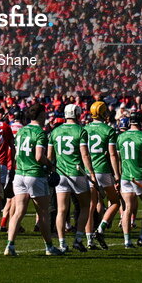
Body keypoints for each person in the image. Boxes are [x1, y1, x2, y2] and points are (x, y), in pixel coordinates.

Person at [5, 102, 62, 256]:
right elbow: (39, 157)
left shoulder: (22, 131)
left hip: (20, 174)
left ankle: (9, 246)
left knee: (18, 212)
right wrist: (51, 166)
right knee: (43, 213)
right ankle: (49, 247)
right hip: (34, 175)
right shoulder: (40, 133)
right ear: (41, 115)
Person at [48, 103, 95, 252]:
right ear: (78, 114)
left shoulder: (55, 131)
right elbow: (85, 154)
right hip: (77, 173)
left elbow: (49, 156)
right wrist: (91, 173)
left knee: (62, 210)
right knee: (85, 206)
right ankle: (79, 239)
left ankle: (62, 243)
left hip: (61, 174)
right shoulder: (81, 130)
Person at [117, 110, 142, 249]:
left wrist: (118, 175)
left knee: (127, 207)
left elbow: (119, 160)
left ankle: (127, 241)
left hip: (125, 176)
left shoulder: (121, 137)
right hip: (139, 176)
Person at [86, 101, 120, 250]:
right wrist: (117, 174)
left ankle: (88, 239)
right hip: (102, 169)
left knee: (90, 206)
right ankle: (100, 229)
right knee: (115, 202)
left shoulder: (85, 128)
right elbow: (112, 154)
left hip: (88, 171)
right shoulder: (108, 130)